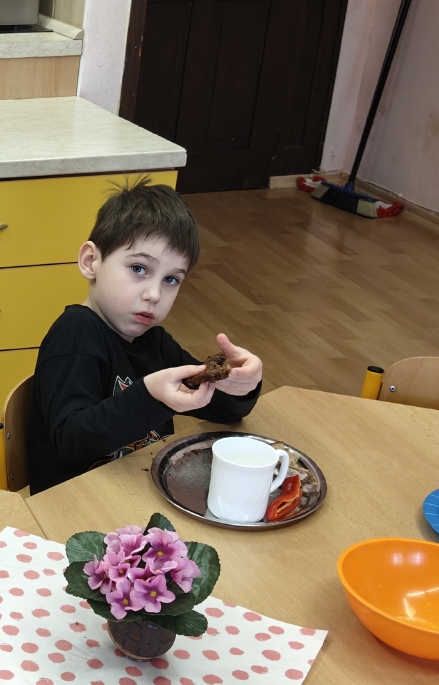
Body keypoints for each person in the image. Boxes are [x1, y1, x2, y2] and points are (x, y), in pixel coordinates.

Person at [26, 180, 264, 493]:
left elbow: (224, 411)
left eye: (171, 279)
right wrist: (150, 396)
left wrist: (240, 384)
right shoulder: (75, 334)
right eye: (139, 268)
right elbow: (71, 441)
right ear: (90, 261)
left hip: (136, 492)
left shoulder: (155, 342)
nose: (154, 294)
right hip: (75, 505)